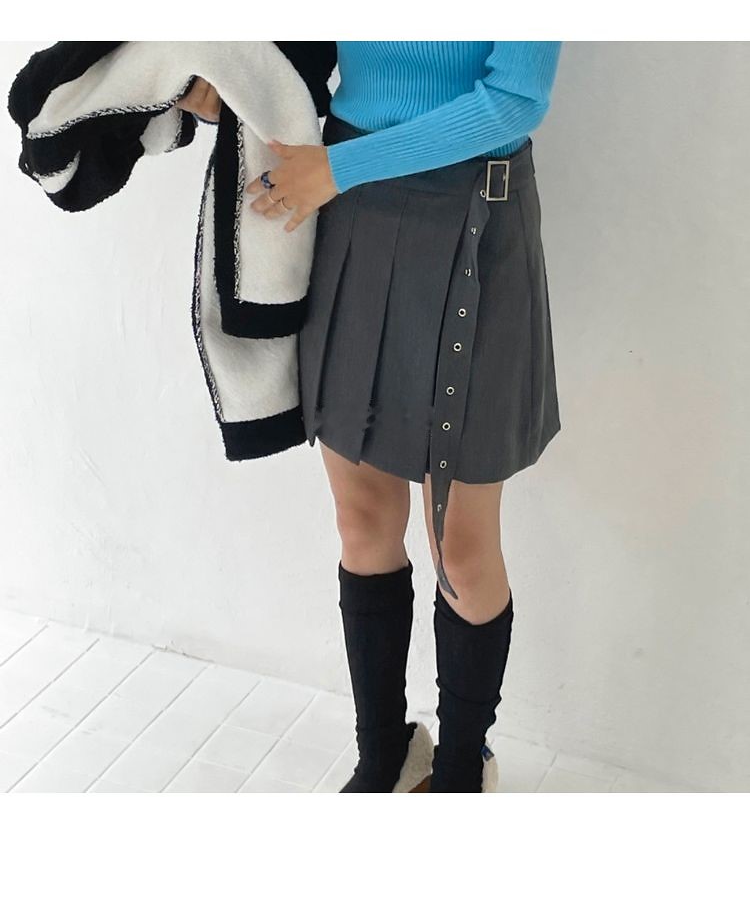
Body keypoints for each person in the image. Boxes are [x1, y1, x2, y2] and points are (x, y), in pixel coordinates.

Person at [177, 41, 563, 792]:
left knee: (461, 548)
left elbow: (517, 100)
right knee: (361, 519)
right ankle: (385, 754)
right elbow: (307, 51)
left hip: (471, 210)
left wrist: (338, 168)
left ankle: (462, 771)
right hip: (351, 208)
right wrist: (237, 97)